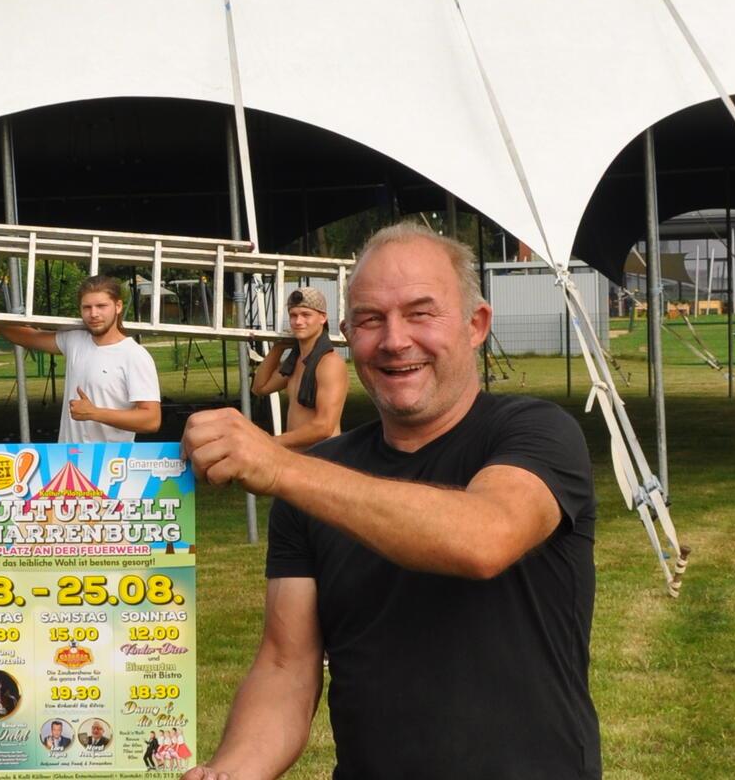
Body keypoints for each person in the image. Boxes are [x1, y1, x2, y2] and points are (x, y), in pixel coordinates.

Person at [180, 222, 599, 780]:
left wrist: (283, 466)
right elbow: (287, 665)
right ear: (350, 336)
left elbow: (484, 537)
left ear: (476, 326)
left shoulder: (537, 433)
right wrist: (231, 772)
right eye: (371, 320)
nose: (395, 340)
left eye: (421, 313)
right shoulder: (313, 481)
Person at [0, 276, 161, 442]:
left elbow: (151, 420)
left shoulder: (134, 355)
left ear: (118, 306)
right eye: (87, 307)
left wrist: (95, 413)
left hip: (110, 463)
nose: (94, 314)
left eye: (101, 306)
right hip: (69, 460)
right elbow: (27, 337)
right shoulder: (74, 340)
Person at [248, 285, 347, 449]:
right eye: (293, 315)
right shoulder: (295, 363)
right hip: (297, 459)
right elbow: (259, 388)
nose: (298, 321)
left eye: (306, 315)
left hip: (323, 461)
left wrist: (273, 442)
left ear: (322, 318)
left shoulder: (329, 363)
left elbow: (324, 427)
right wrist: (277, 349)